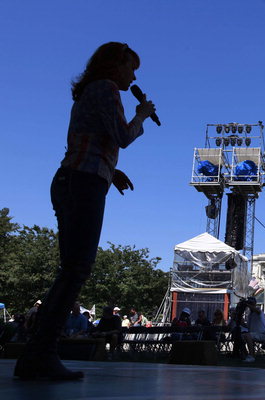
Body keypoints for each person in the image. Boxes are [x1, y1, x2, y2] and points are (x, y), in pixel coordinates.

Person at [14, 42, 156, 380]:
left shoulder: (89, 92)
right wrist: (142, 115)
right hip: (83, 182)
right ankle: (41, 353)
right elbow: (121, 136)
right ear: (115, 65)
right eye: (131, 67)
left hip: (76, 178)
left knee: (72, 269)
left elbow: (91, 140)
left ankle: (38, 352)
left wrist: (111, 171)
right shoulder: (107, 88)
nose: (134, 75)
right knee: (76, 269)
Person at [241, 297, 265, 362]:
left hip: (262, 334)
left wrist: (247, 304)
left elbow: (256, 310)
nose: (250, 305)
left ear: (255, 304)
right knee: (240, 336)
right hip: (253, 334)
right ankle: (246, 354)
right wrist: (240, 321)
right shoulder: (250, 315)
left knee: (247, 335)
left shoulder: (259, 311)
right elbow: (247, 327)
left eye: (251, 303)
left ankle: (252, 356)